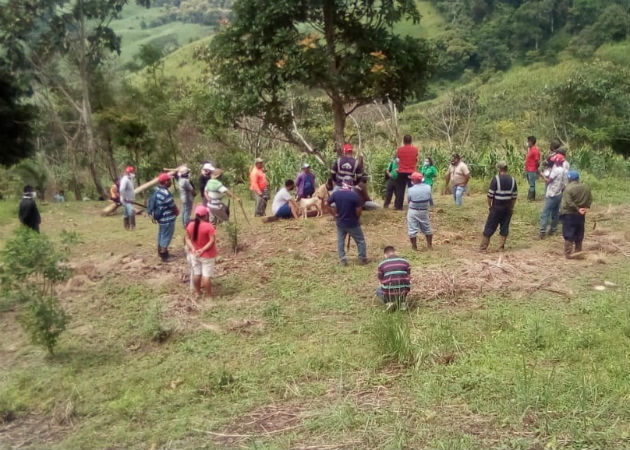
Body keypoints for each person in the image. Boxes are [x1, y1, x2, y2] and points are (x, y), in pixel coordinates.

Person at [327, 176, 367, 266]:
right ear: (351, 183)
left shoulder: (336, 194)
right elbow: (359, 209)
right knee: (360, 240)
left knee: (341, 241)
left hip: (340, 222)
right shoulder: (354, 195)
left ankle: (342, 259)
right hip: (352, 222)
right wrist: (357, 218)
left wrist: (334, 215)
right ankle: (362, 258)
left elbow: (327, 204)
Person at [480, 162, 518, 252]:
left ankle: (483, 248)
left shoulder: (496, 179)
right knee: (504, 227)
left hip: (497, 207)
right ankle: (501, 247)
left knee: (490, 226)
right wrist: (511, 207)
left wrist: (490, 206)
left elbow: (490, 195)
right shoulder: (513, 180)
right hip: (507, 208)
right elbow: (514, 197)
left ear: (499, 169)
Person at [185, 205, 217, 297]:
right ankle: (209, 296)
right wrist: (202, 249)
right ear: (205, 215)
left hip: (194, 254)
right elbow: (211, 241)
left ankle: (197, 292)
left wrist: (193, 248)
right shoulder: (209, 227)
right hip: (207, 255)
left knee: (197, 273)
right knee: (206, 276)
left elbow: (187, 238)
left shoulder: (190, 225)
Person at [560, 171, 592, 259]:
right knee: (579, 232)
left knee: (569, 233)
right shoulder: (586, 187)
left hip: (569, 214)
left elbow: (569, 202)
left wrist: (577, 209)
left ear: (569, 178)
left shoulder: (568, 188)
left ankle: (568, 253)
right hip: (581, 214)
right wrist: (586, 208)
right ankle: (578, 251)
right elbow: (590, 199)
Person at [540, 153, 567, 239]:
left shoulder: (556, 170)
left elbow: (548, 181)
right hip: (558, 193)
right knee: (555, 213)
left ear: (557, 162)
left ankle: (542, 231)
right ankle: (553, 229)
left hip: (551, 193)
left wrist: (541, 175)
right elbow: (564, 183)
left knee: (545, 213)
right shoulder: (564, 170)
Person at [376, 246, 411, 311]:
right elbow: (408, 277)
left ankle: (389, 302)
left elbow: (381, 280)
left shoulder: (381, 264)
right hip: (403, 291)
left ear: (385, 255)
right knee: (405, 284)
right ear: (395, 252)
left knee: (378, 290)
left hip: (389, 292)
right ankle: (402, 303)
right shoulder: (405, 262)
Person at [154, 173, 179, 262]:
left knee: (161, 234)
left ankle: (160, 251)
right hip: (167, 218)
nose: (170, 182)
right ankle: (164, 255)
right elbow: (172, 205)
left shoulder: (156, 190)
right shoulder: (165, 193)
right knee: (167, 236)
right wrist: (177, 212)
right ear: (165, 182)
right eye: (169, 180)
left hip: (161, 218)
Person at [407, 171, 433, 250]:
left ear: (413, 180)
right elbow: (430, 198)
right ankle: (429, 245)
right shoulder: (428, 187)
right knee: (427, 228)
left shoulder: (410, 190)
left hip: (413, 210)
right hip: (424, 210)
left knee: (412, 228)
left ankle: (414, 247)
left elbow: (408, 200)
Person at [395, 135, 418, 210]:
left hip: (401, 171)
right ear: (411, 141)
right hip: (411, 172)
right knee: (412, 188)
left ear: (403, 141)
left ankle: (398, 206)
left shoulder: (399, 150)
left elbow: (397, 160)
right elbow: (416, 159)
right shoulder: (415, 149)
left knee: (400, 189)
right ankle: (413, 204)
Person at [119, 166, 136, 230]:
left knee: (126, 212)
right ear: (127, 173)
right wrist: (124, 197)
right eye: (129, 172)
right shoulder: (125, 179)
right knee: (131, 211)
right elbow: (121, 190)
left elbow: (133, 176)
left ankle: (126, 225)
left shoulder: (130, 178)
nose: (131, 173)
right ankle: (132, 226)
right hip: (126, 199)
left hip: (130, 199)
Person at [525, 136, 540, 201]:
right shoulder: (530, 149)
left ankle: (531, 198)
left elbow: (537, 160)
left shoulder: (535, 150)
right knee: (531, 183)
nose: (527, 143)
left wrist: (536, 168)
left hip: (532, 169)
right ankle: (531, 196)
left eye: (528, 141)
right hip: (528, 169)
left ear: (531, 142)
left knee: (532, 184)